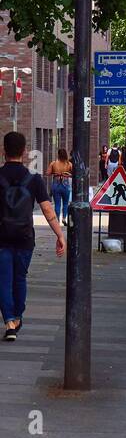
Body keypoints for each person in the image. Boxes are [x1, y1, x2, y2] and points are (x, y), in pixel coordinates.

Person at [0, 131, 65, 341]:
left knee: (3, 280)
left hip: (1, 237)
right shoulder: (34, 179)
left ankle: (9, 321)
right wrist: (60, 235)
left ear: (3, 152)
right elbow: (48, 210)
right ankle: (18, 316)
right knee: (20, 278)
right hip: (25, 237)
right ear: (24, 151)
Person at [46, 148, 72, 225]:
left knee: (57, 203)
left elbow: (47, 173)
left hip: (56, 184)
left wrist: (55, 173)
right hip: (66, 184)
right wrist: (67, 174)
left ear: (58, 154)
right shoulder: (69, 164)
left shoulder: (53, 163)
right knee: (65, 203)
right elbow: (74, 174)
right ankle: (64, 218)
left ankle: (57, 220)